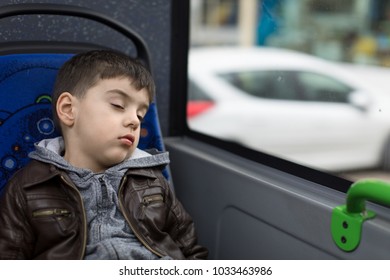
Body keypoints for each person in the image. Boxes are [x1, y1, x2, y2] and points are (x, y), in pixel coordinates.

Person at [0, 50, 208, 260]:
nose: (135, 121)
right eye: (118, 105)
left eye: (140, 115)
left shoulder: (153, 180)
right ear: (68, 109)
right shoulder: (29, 187)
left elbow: (190, 250)